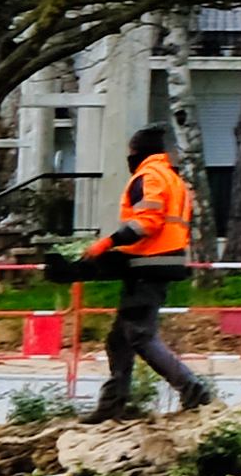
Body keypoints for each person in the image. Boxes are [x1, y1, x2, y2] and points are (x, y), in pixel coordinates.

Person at [79, 123, 216, 419]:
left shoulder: (149, 176)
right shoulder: (172, 177)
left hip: (148, 264)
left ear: (137, 153)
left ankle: (194, 391)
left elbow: (147, 223)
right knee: (120, 339)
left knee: (139, 335)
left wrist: (109, 243)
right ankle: (114, 404)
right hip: (163, 261)